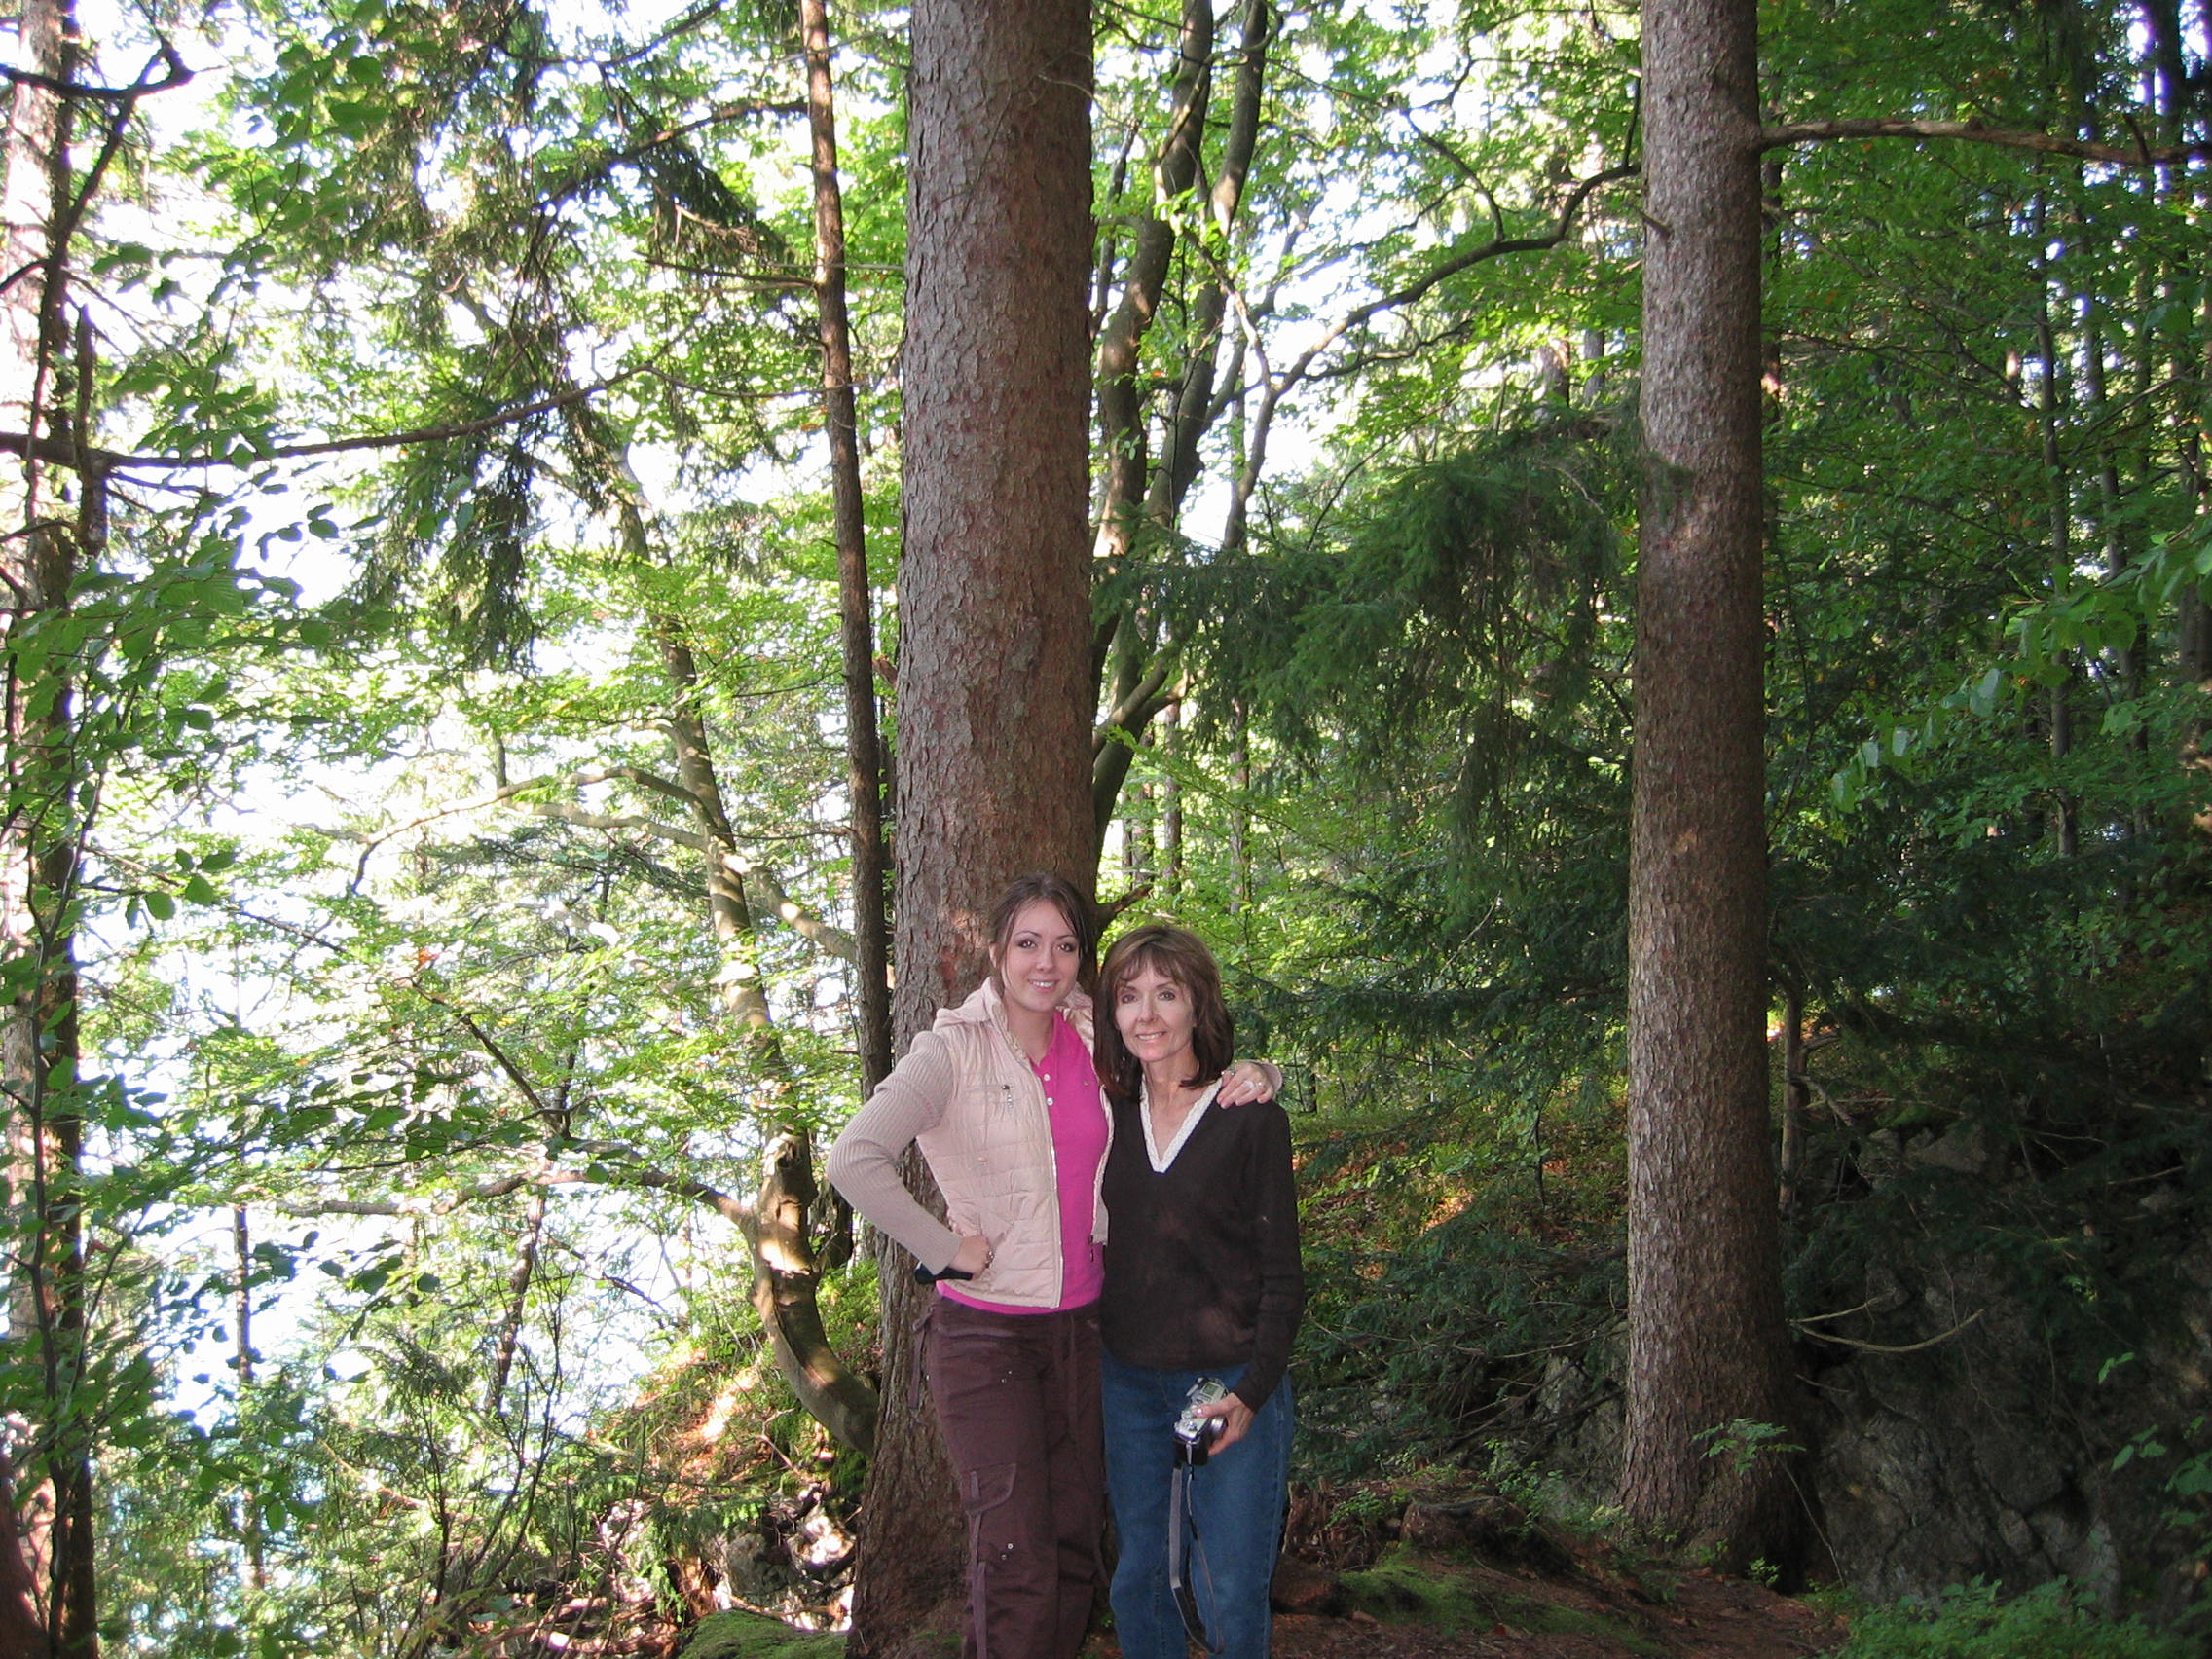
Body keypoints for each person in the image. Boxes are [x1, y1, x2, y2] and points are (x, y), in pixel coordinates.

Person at [825, 875, 1280, 1659]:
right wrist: (942, 1248)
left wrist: (1261, 1075)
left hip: (1085, 1332)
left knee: (1075, 1549)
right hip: (989, 1337)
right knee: (1017, 1560)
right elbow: (854, 1158)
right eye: (1028, 943)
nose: (1048, 961)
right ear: (997, 953)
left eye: (1066, 945)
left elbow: (1183, 1077)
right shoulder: (951, 1050)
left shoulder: (1092, 1039)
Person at [1093, 923, 1304, 1659]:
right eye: (1129, 996)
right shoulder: (1105, 1117)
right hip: (1127, 1386)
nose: (1147, 1014)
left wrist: (1252, 1390)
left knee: (1228, 1587)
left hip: (1229, 1386)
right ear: (1111, 1013)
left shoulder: (1249, 1118)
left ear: (1196, 1007)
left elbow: (1283, 1275)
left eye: (1167, 993)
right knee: (1141, 1579)